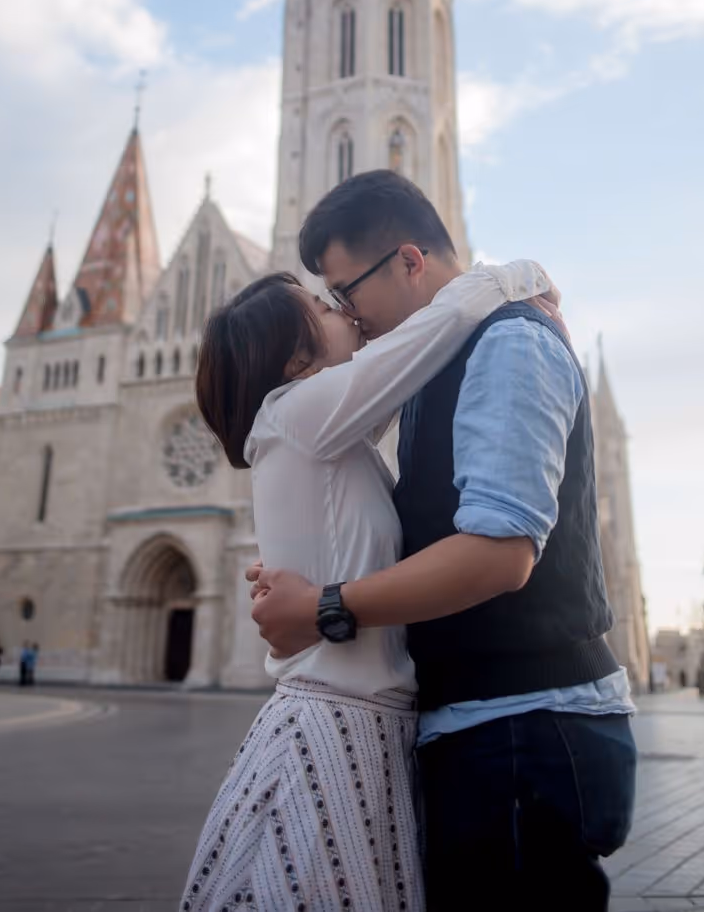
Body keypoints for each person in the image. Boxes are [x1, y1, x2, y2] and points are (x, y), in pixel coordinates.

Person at [250, 171, 637, 911]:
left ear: (408, 261)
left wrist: (326, 606)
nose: (349, 319)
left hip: (527, 724)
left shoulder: (509, 343)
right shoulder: (436, 360)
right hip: (488, 724)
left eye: (345, 293)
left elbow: (500, 552)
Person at [179, 255, 552, 912]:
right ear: (295, 362)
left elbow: (404, 373)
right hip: (333, 724)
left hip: (359, 722)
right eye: (324, 307)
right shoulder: (297, 413)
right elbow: (431, 335)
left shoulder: (319, 430)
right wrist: (520, 275)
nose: (343, 308)